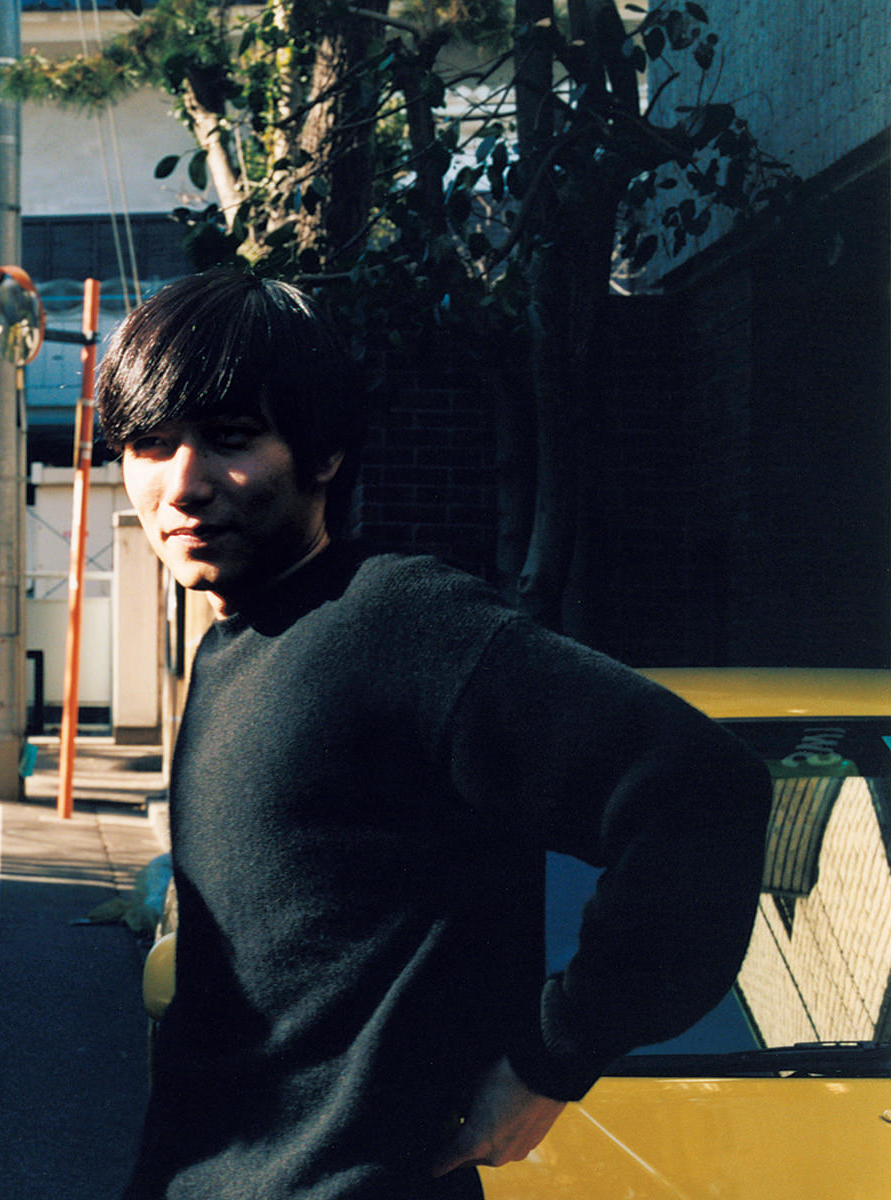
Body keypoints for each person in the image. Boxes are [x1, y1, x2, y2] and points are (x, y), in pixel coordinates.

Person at [97, 268, 772, 1200]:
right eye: (151, 443)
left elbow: (702, 790)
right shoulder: (233, 649)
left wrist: (553, 1058)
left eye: (231, 437)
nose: (183, 484)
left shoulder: (402, 625)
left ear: (323, 453)